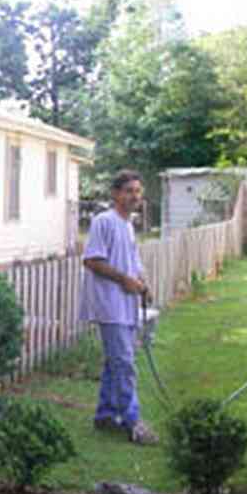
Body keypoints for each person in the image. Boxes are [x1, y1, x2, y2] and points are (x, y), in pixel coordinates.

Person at [81, 170, 158, 445]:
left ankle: (105, 414)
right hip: (109, 305)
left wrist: (143, 284)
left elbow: (132, 262)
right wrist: (125, 280)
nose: (134, 196)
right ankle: (132, 420)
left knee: (116, 363)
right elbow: (92, 261)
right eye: (128, 191)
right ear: (115, 194)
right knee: (124, 363)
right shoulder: (104, 221)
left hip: (126, 304)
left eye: (138, 191)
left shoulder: (127, 225)